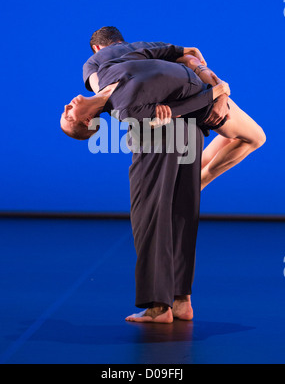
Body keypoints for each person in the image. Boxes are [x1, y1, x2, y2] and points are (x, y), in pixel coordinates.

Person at [60, 27, 266, 323]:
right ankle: (169, 304)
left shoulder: (105, 65)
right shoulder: (122, 105)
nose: (67, 105)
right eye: (68, 116)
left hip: (186, 118)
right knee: (162, 212)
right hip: (172, 125)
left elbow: (189, 54)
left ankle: (173, 303)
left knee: (168, 212)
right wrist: (215, 94)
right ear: (88, 121)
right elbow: (172, 107)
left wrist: (217, 88)